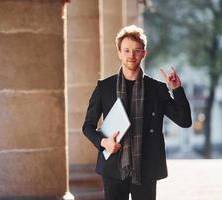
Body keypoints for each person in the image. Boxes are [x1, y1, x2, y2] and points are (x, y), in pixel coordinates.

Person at [82, 25, 192, 200]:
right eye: (126, 50)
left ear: (143, 54)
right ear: (119, 53)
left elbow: (185, 121)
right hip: (113, 166)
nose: (131, 56)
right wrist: (104, 142)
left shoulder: (157, 89)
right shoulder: (105, 88)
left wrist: (177, 89)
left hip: (146, 167)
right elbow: (87, 126)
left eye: (136, 51)